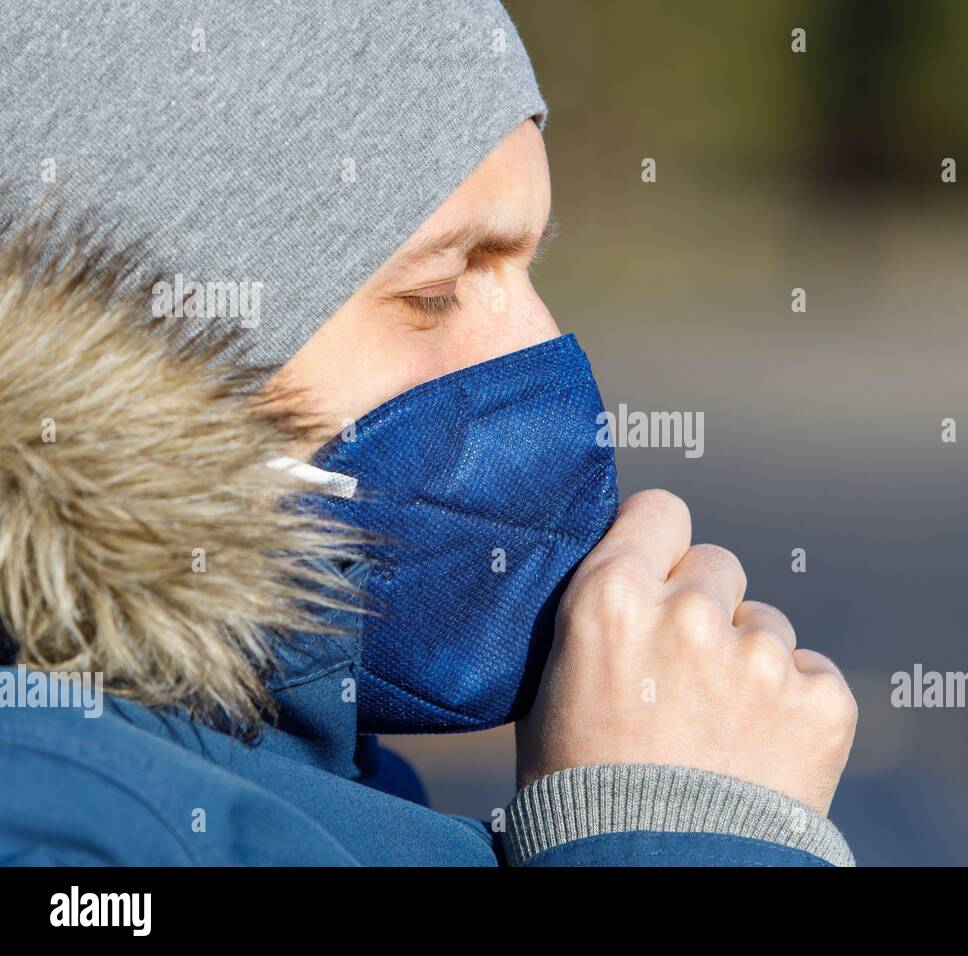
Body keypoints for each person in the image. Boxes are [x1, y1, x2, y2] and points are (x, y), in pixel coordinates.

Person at [0, 0, 856, 866]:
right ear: (133, 345)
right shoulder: (52, 826)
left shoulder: (329, 776)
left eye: (527, 266)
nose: (541, 353)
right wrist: (675, 829)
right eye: (436, 291)